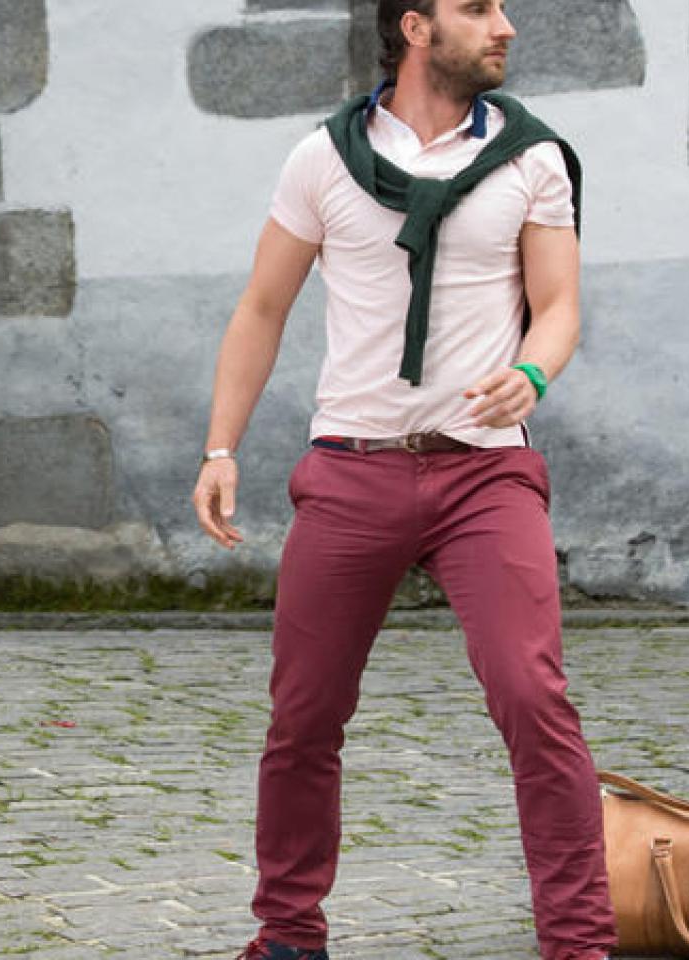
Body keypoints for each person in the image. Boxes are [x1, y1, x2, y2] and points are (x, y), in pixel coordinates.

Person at [190, 2, 617, 958]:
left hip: (484, 477)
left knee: (533, 699)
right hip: (352, 472)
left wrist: (534, 371)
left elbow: (558, 309)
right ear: (417, 27)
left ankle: (579, 945)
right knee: (302, 716)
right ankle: (288, 937)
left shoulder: (532, 159)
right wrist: (223, 449)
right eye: (478, 8)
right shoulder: (324, 159)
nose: (504, 25)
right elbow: (261, 307)